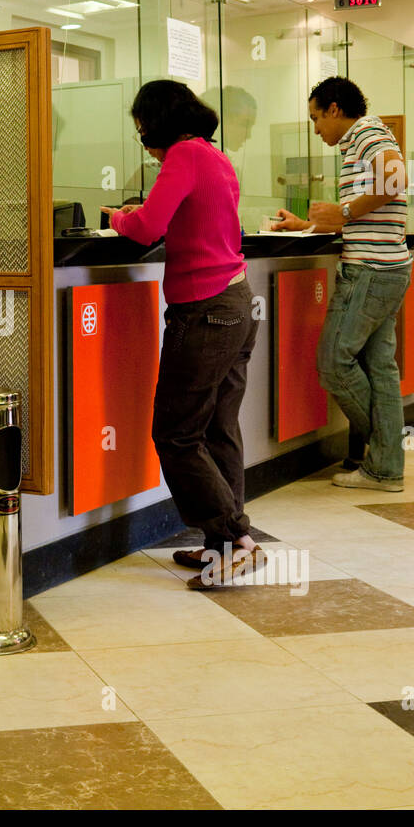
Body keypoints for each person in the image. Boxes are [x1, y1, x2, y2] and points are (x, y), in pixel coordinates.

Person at [103, 80, 262, 589]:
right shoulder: (216, 158)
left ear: (156, 124)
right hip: (236, 302)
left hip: (204, 312)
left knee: (175, 434)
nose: (143, 140)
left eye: (142, 129)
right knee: (217, 429)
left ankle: (237, 540)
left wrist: (118, 218)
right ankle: (223, 545)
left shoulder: (183, 157)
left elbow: (149, 226)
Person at [272, 76, 411, 492]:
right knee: (381, 370)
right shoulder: (365, 138)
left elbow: (395, 180)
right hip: (388, 268)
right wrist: (310, 225)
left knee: (333, 363)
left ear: (334, 108)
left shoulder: (366, 131)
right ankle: (387, 468)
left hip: (369, 272)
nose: (315, 129)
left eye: (316, 118)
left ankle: (387, 451)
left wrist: (345, 211)